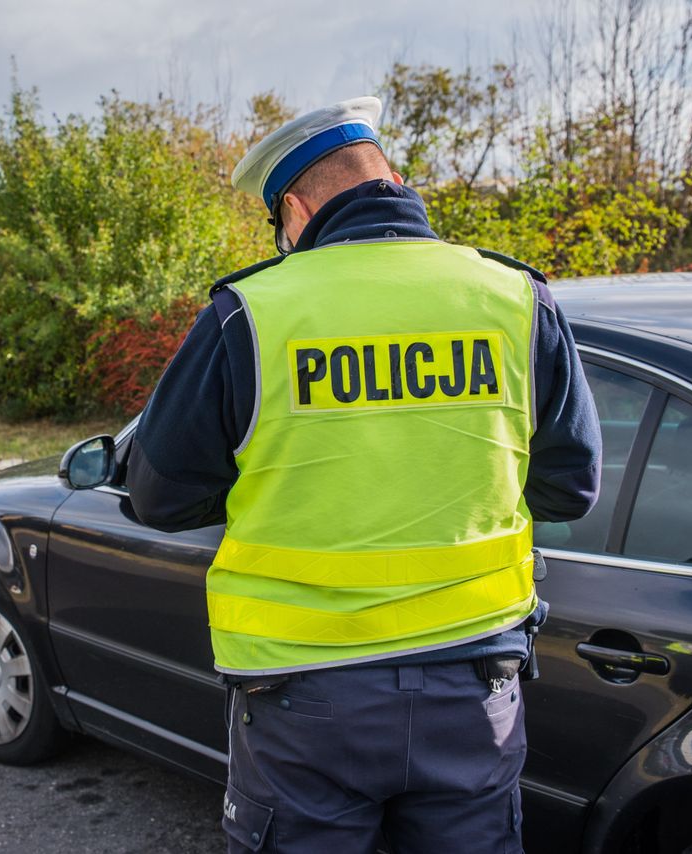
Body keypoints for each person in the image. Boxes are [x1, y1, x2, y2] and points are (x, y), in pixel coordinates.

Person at [127, 97, 602, 852]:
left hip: (306, 699)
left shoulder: (248, 313)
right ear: (396, 179)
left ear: (293, 209)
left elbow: (157, 497)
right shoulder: (517, 298)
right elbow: (569, 488)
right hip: (475, 683)